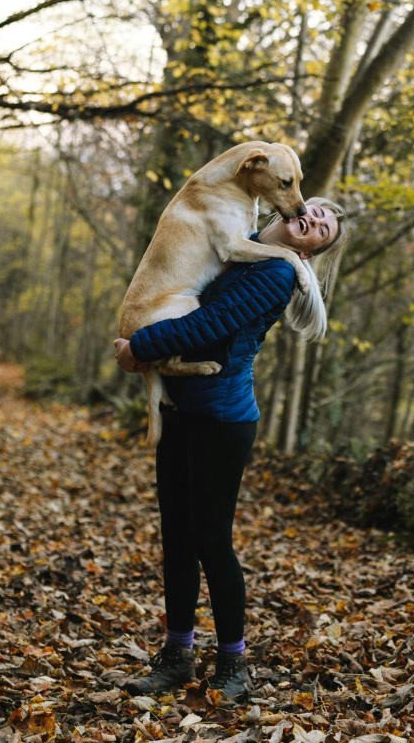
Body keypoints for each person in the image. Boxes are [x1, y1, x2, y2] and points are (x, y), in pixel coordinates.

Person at [114, 198, 347, 701]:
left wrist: (140, 347)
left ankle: (233, 664)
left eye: (322, 228)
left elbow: (209, 327)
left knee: (210, 540)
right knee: (176, 536)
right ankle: (177, 657)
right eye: (317, 209)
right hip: (179, 409)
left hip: (223, 421)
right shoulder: (237, 249)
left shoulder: (276, 276)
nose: (313, 217)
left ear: (311, 251)